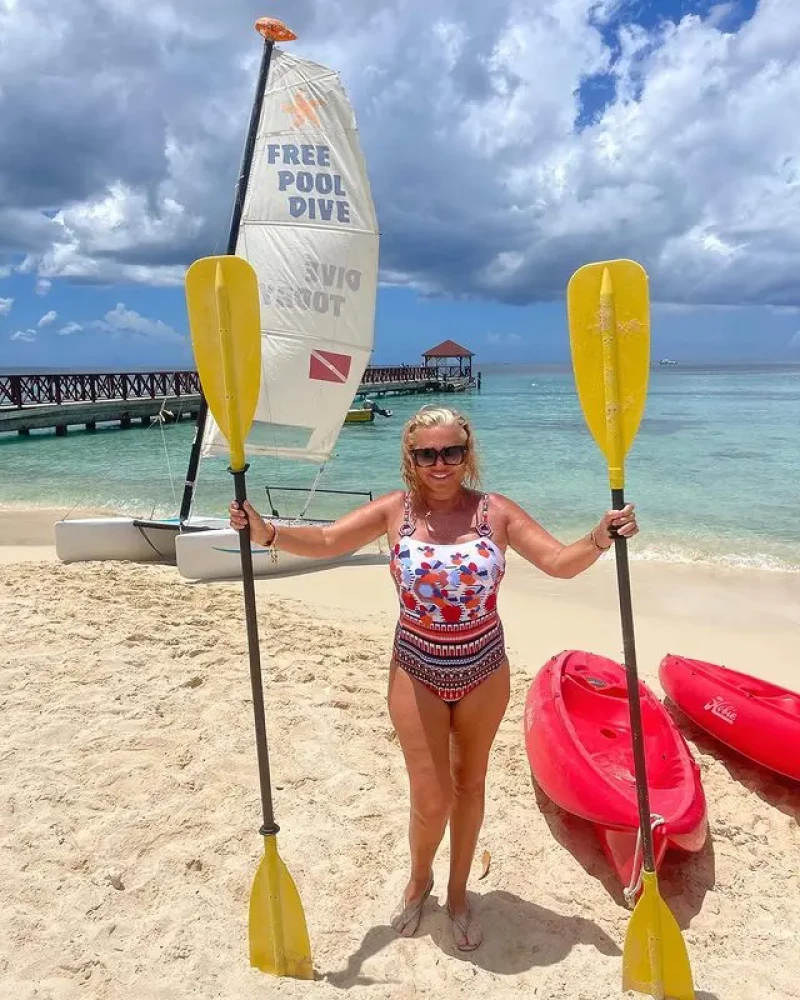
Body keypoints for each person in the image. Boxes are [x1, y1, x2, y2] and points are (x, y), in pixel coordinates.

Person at [229, 404, 638, 951]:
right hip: (416, 666)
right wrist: (268, 532)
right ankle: (418, 881)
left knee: (470, 786)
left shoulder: (498, 513)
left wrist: (600, 535)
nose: (441, 463)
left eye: (453, 451)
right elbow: (328, 541)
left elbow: (560, 563)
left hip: (484, 666)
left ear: (468, 456)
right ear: (411, 458)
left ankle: (459, 891)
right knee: (432, 797)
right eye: (428, 453)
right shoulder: (394, 512)